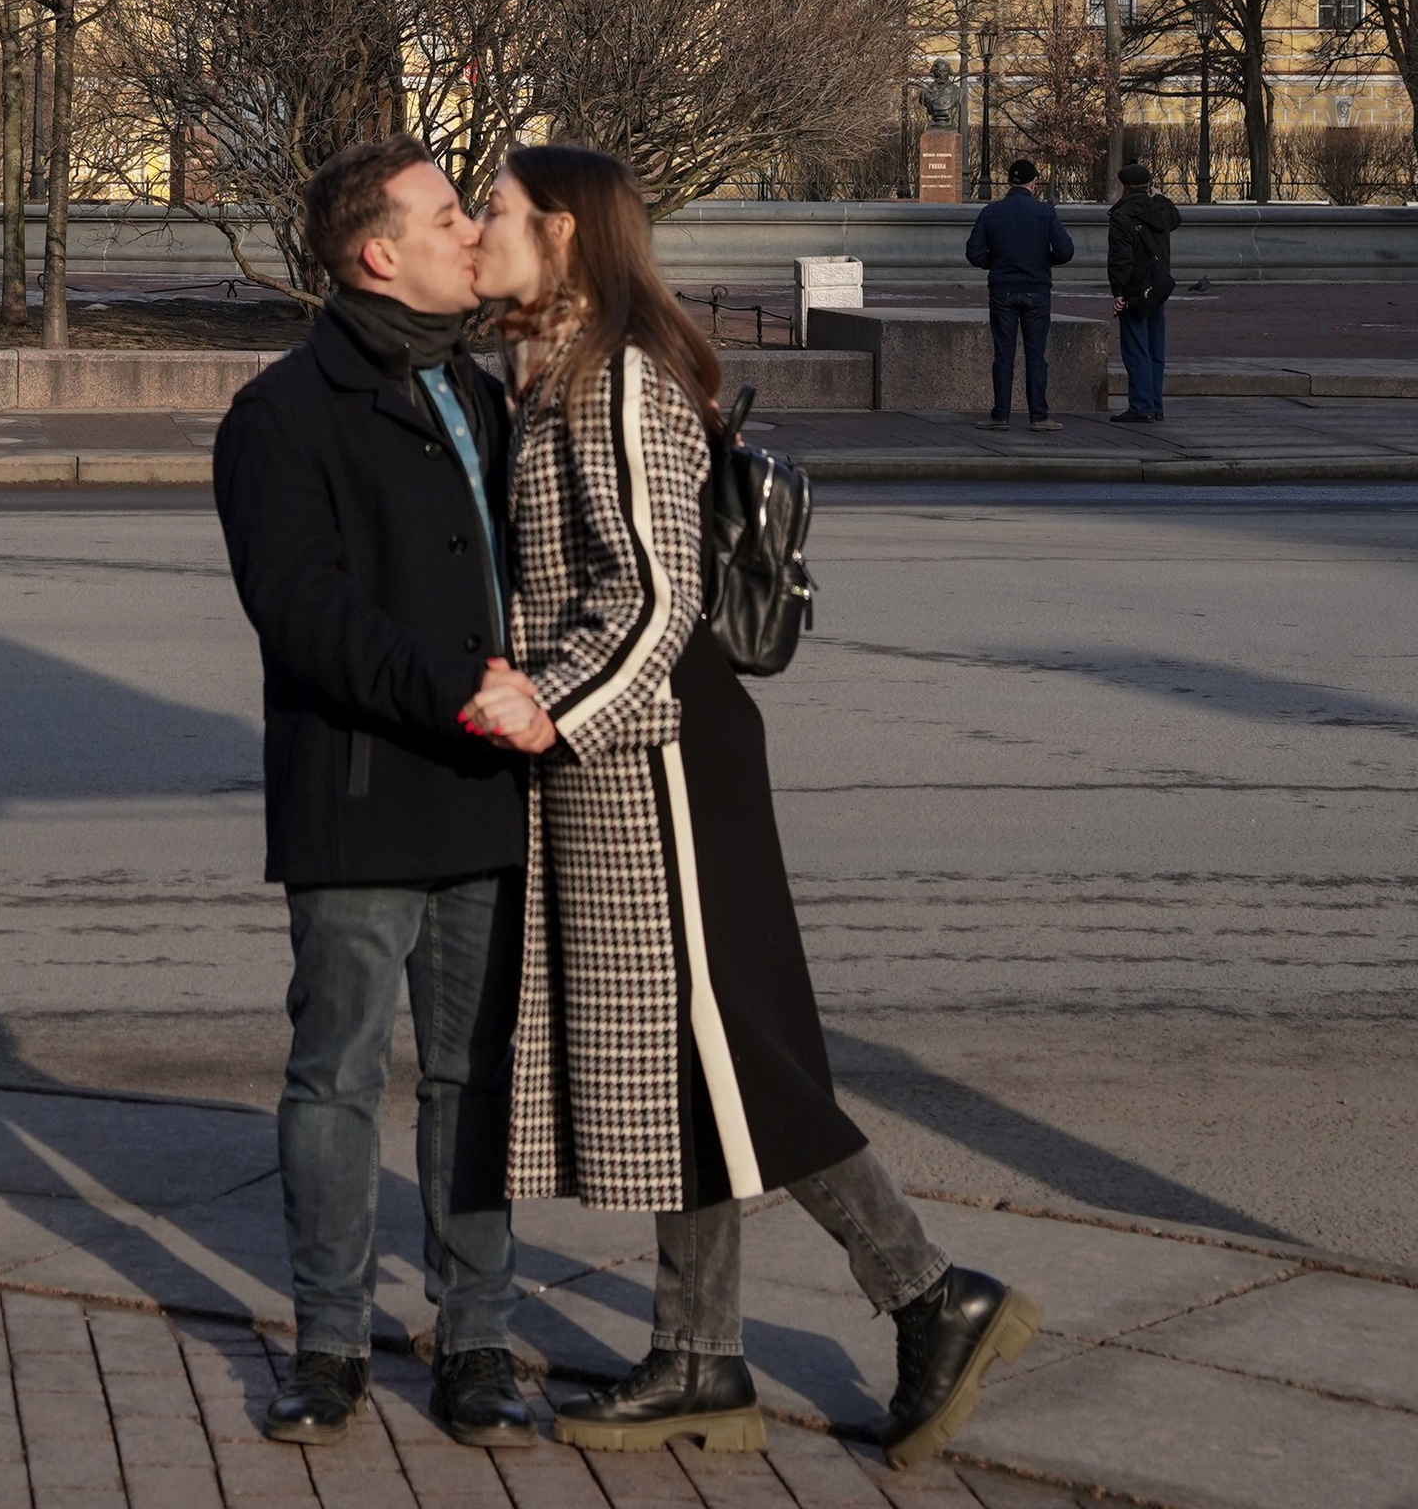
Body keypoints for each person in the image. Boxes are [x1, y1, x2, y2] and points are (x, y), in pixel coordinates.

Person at [465, 145, 1037, 1469]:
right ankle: (699, 1355)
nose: (480, 225)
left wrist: (551, 703)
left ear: (559, 233)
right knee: (684, 1066)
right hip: (623, 758)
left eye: (494, 208)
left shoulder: (612, 382)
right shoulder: (554, 374)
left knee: (732, 1055)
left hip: (659, 756)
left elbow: (659, 597)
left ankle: (932, 1294)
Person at [212, 138, 538, 1452]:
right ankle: (331, 1343)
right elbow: (304, 617)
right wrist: (463, 685)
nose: (473, 232)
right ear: (376, 253)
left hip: (481, 796)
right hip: (358, 802)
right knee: (337, 1079)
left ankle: (475, 1342)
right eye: (450, 215)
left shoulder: (485, 388)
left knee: (474, 1080)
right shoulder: (282, 414)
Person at [965, 155, 1075, 427]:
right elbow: (1066, 251)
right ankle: (1039, 416)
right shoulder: (1046, 213)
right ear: (1034, 183)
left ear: (1009, 183)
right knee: (1035, 355)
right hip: (1036, 290)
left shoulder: (990, 212)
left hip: (1002, 289)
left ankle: (1000, 415)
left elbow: (974, 254)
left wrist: (997, 262)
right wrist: (1042, 260)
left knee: (1003, 354)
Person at [1109, 157, 1179, 423]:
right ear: (1148, 185)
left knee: (1136, 348)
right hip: (1158, 285)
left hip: (1135, 287)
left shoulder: (1121, 215)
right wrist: (1160, 197)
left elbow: (1120, 259)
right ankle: (1155, 404)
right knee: (1154, 348)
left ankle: (1141, 406)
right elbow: (1175, 218)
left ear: (1123, 187)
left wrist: (1119, 293)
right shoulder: (1160, 210)